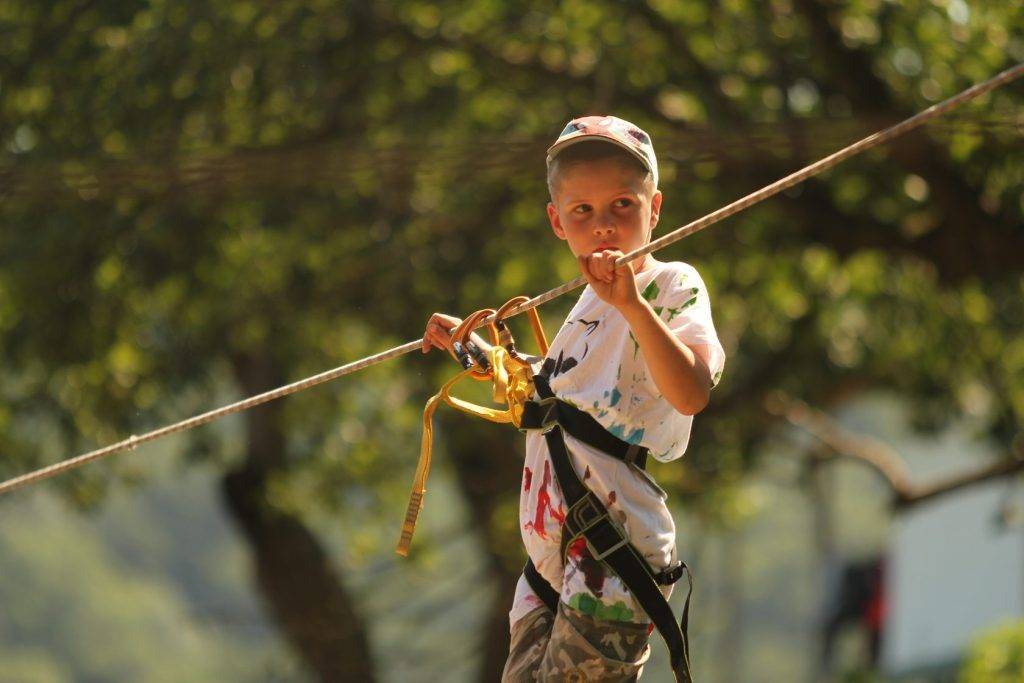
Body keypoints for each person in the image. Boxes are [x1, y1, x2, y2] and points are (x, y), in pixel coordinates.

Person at [421, 115, 726, 682]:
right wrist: (470, 349)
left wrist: (634, 305)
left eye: (622, 207)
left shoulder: (670, 285)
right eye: (582, 211)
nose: (604, 226)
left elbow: (691, 393)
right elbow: (551, 400)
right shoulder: (585, 309)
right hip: (549, 565)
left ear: (653, 209)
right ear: (557, 222)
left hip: (610, 555)